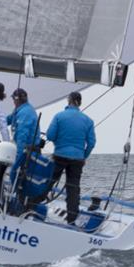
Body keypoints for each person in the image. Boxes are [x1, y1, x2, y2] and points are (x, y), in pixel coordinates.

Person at [45, 91, 96, 224]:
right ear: (80, 102)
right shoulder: (88, 121)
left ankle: (34, 204)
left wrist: (59, 141)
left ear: (69, 101)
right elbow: (91, 143)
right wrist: (83, 156)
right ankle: (72, 218)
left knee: (48, 182)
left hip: (60, 155)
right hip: (77, 159)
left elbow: (50, 136)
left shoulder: (59, 116)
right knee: (73, 188)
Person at [0, 88, 40, 185]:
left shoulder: (25, 112)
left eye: (14, 99)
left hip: (27, 150)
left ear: (17, 100)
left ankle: (16, 195)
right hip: (23, 148)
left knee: (17, 176)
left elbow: (22, 136)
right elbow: (7, 120)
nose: (13, 102)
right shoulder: (20, 109)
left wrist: (17, 159)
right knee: (16, 175)